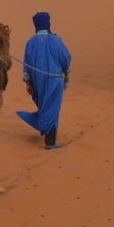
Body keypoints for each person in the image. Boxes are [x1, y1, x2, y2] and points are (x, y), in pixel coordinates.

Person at [15, 11, 72, 149]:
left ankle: (46, 130)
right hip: (54, 79)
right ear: (48, 24)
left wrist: (28, 83)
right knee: (52, 107)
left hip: (37, 81)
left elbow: (26, 65)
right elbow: (66, 58)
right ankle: (50, 141)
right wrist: (66, 73)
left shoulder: (30, 42)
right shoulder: (56, 40)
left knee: (46, 105)